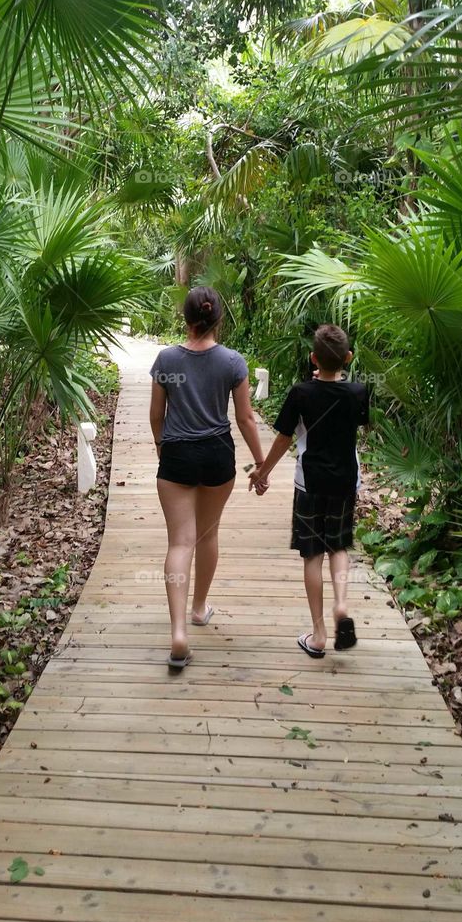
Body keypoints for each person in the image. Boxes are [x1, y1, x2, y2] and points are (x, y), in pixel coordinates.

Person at [149, 286, 266, 671]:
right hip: (218, 456)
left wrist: (162, 448)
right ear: (218, 319)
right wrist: (260, 464)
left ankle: (178, 632)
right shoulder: (233, 361)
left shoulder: (166, 358)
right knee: (208, 535)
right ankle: (199, 609)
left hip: (178, 455)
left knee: (179, 542)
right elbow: (246, 418)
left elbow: (156, 415)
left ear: (185, 319)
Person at [248, 324, 369, 657]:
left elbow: (284, 439)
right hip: (346, 481)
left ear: (313, 358)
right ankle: (342, 604)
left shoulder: (301, 393)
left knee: (313, 555)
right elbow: (360, 425)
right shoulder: (359, 392)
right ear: (348, 358)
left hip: (310, 482)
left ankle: (318, 634)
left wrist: (262, 472)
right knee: (339, 546)